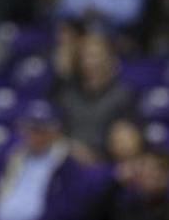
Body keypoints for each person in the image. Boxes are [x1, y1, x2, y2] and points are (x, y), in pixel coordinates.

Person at [0, 101, 101, 220]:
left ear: (55, 130)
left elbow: (68, 207)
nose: (35, 135)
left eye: (41, 129)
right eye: (31, 128)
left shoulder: (68, 160)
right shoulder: (14, 156)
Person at [53, 31, 136, 160]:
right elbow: (51, 124)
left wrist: (95, 155)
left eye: (96, 55)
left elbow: (126, 138)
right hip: (64, 155)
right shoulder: (65, 91)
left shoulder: (123, 94)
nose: (90, 61)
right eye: (85, 56)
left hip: (103, 160)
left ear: (110, 58)